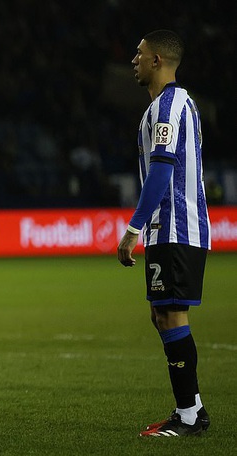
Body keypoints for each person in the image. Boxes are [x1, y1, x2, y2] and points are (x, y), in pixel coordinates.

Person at [117, 30, 211, 437]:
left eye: (139, 54)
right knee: (162, 315)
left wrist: (132, 229)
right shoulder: (164, 107)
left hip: (175, 226)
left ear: (157, 60)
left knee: (171, 313)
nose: (133, 60)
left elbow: (161, 172)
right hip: (168, 229)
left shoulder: (170, 106)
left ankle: (188, 416)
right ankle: (193, 409)